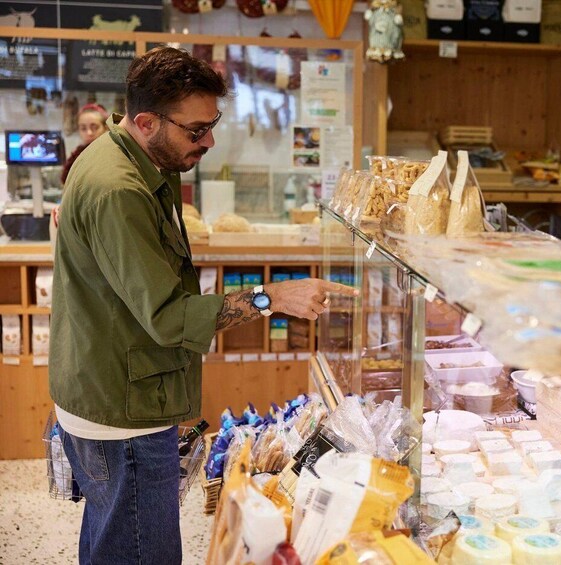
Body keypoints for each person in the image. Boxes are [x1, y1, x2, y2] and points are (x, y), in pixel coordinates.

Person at [49, 46, 356, 565]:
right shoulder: (118, 189)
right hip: (123, 412)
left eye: (211, 126)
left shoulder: (138, 158)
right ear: (146, 122)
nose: (208, 141)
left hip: (113, 389)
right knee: (140, 552)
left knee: (112, 539)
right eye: (196, 131)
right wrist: (273, 296)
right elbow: (169, 317)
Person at [60, 103, 109, 185]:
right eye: (83, 128)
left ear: (106, 128)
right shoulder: (75, 156)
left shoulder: (112, 154)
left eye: (94, 127)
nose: (89, 133)